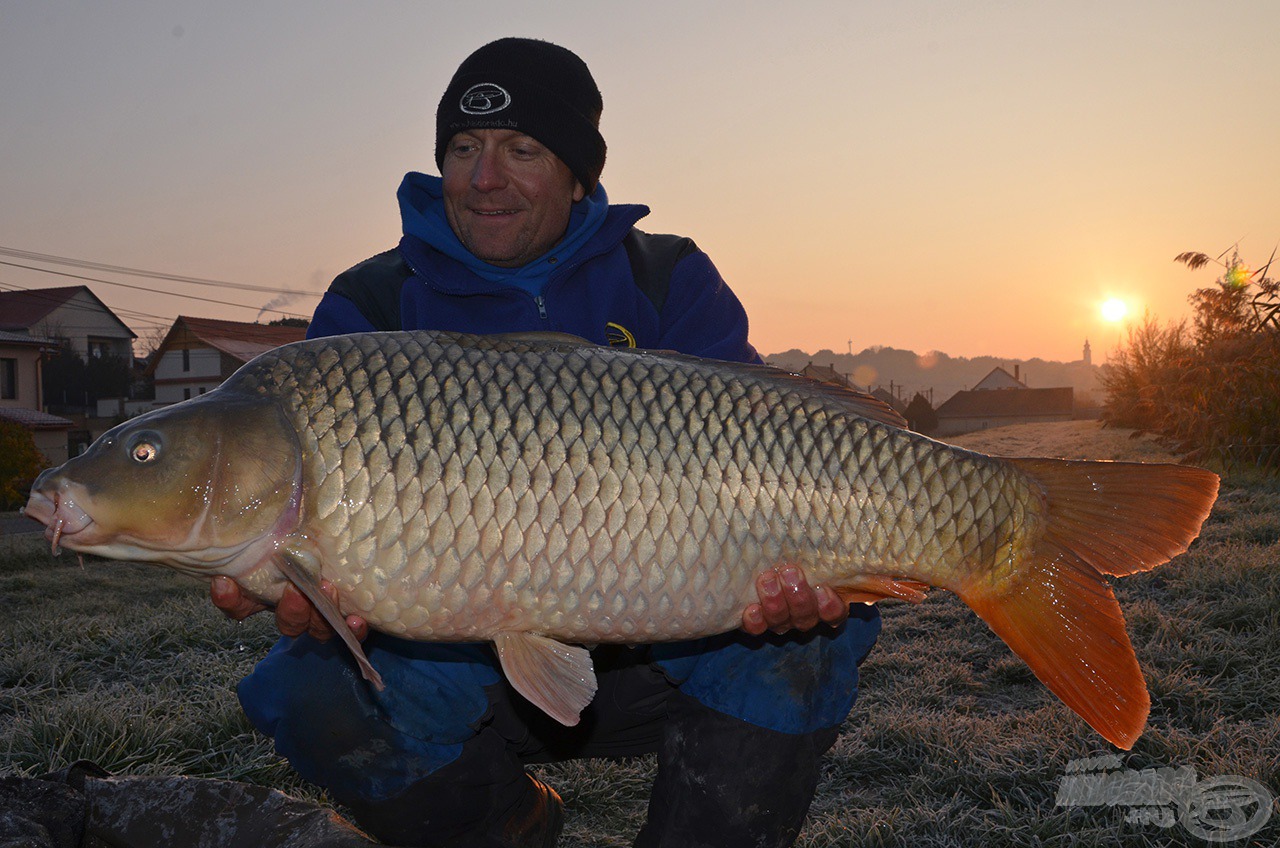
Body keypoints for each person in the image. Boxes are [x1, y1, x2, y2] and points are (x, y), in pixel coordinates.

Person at [211, 37, 881, 848]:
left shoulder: (667, 277)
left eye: (522, 149)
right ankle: (511, 827)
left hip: (672, 640)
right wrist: (302, 582)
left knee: (810, 639)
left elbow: (767, 445)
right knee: (313, 690)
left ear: (577, 174)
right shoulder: (371, 305)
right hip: (451, 664)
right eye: (465, 149)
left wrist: (797, 581)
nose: (485, 178)